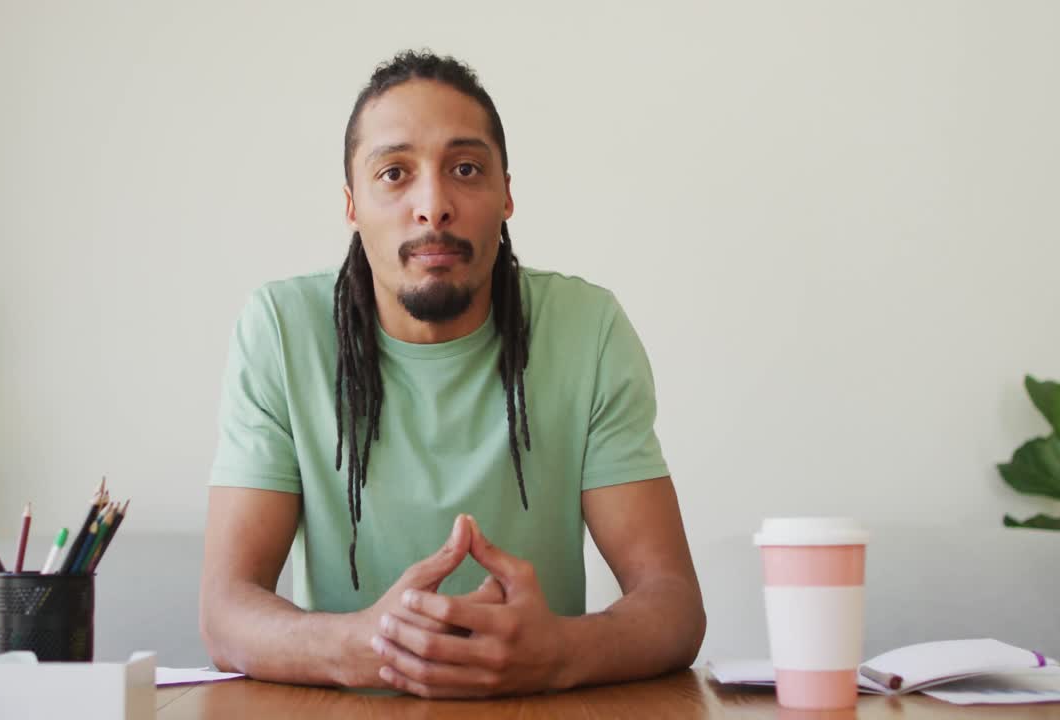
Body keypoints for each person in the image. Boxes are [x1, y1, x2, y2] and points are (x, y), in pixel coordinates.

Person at [200, 49, 705, 698]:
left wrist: (558, 653)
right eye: (394, 173)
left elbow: (673, 606)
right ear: (351, 204)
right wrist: (365, 645)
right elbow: (226, 612)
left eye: (465, 169)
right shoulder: (279, 329)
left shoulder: (588, 329)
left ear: (507, 195)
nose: (433, 205)